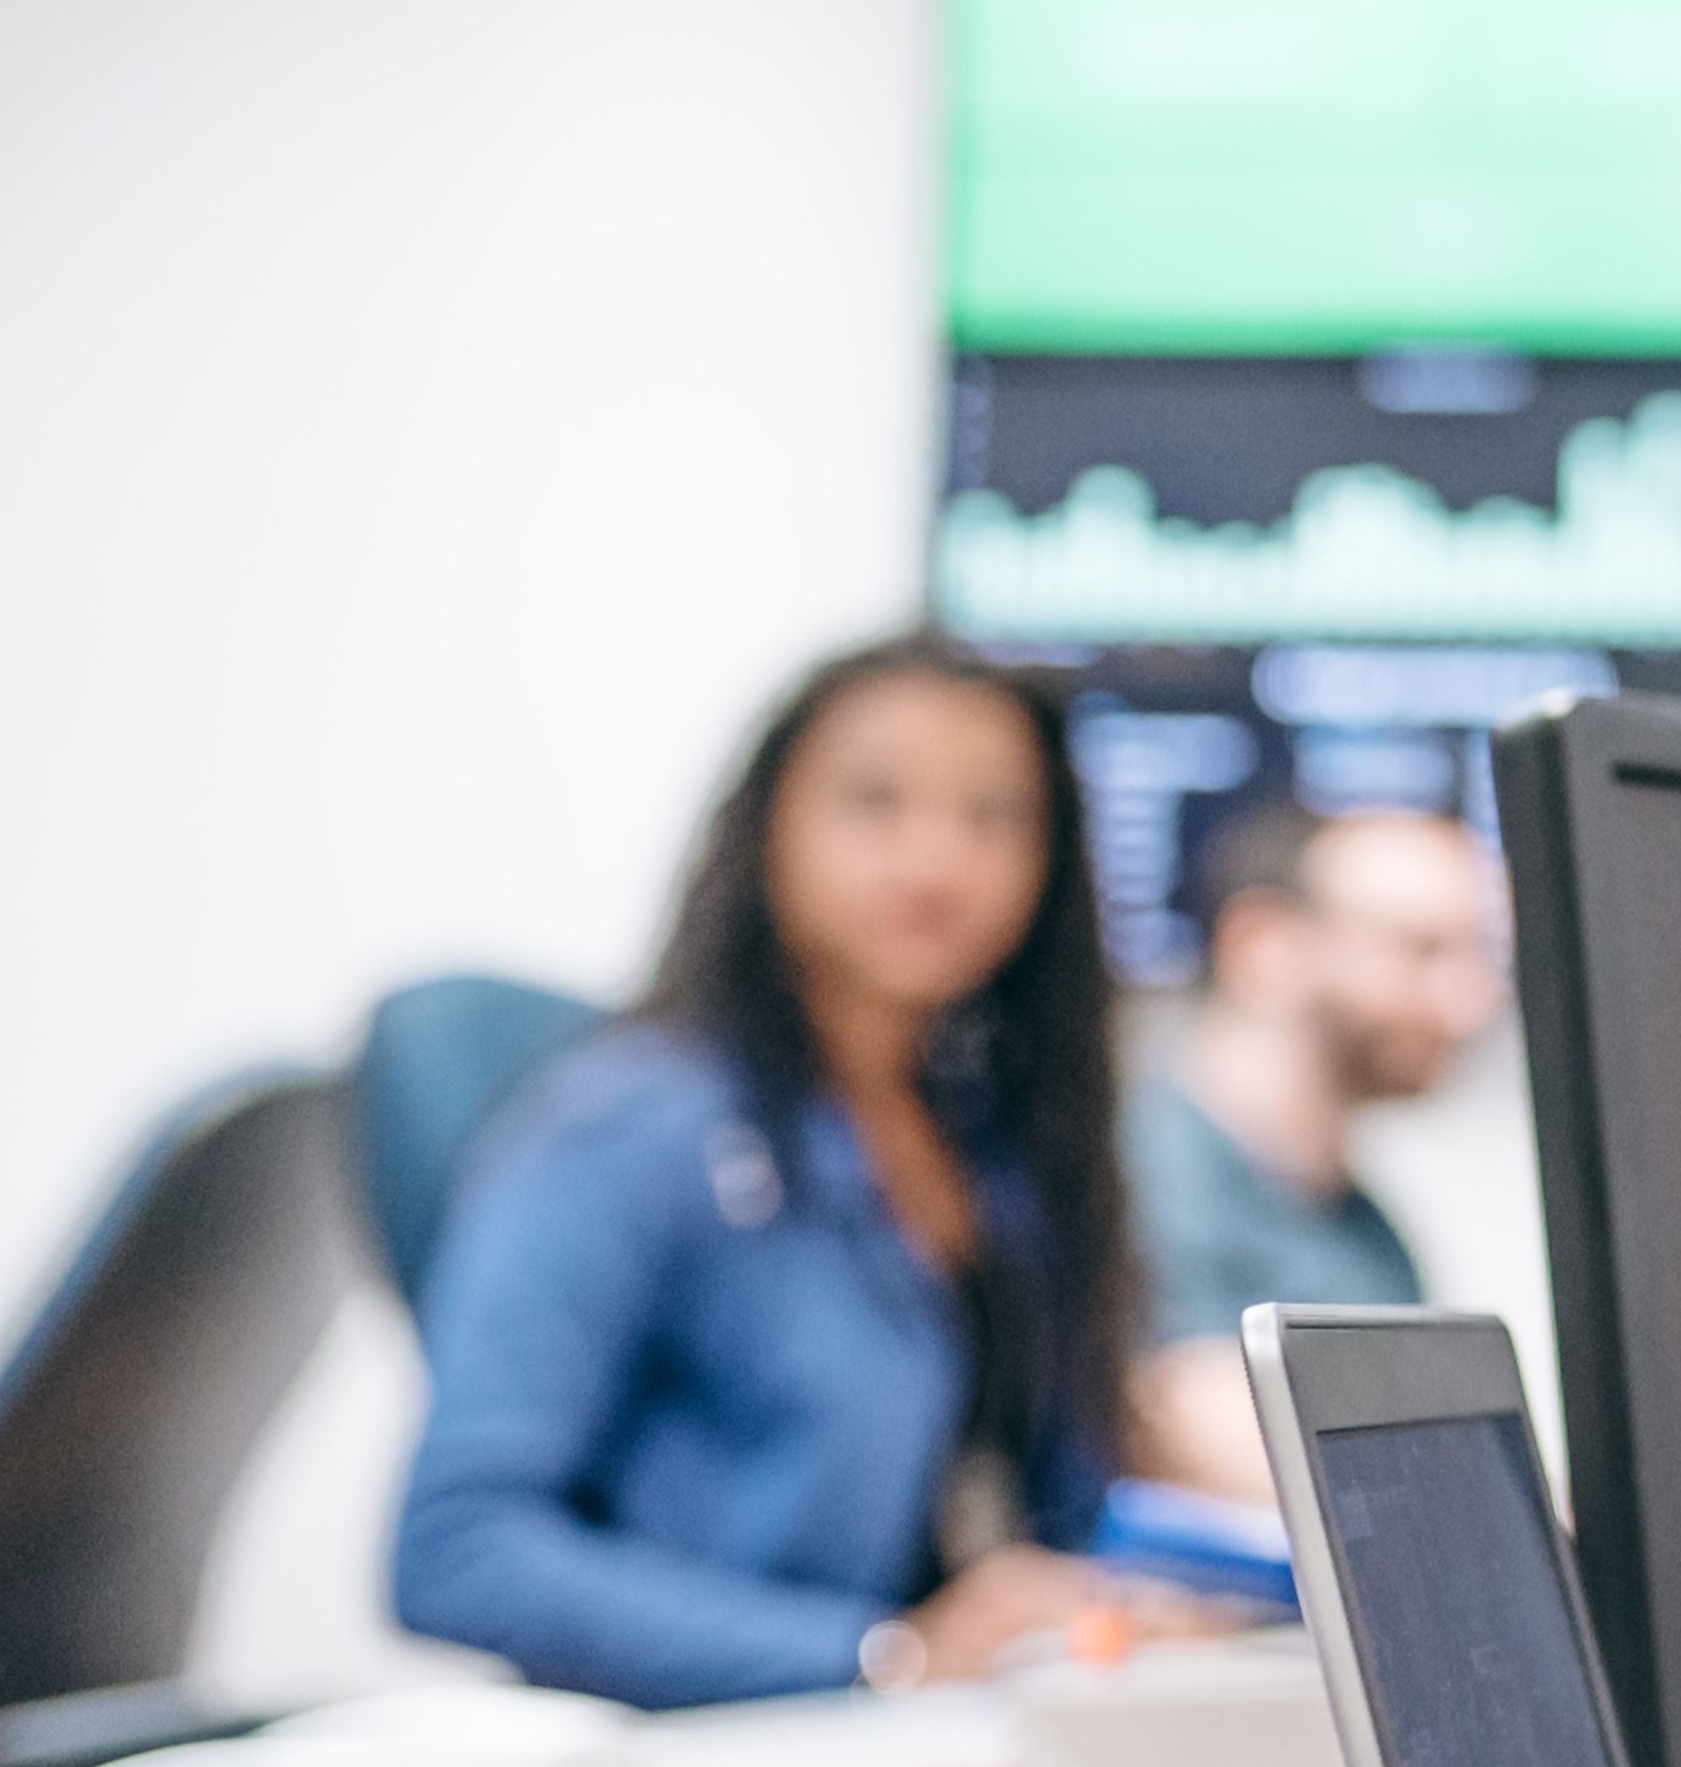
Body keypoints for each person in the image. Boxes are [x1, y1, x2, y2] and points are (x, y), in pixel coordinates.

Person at [397, 638, 1215, 1709]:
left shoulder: (1000, 1149)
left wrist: (1145, 1603)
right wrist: (882, 1655)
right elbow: (457, 1550)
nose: (936, 858)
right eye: (875, 802)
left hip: (935, 1745)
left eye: (992, 815)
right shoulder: (628, 1131)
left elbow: (1055, 1504)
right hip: (724, 1759)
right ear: (768, 826)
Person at [1115, 802, 1505, 1498]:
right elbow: (1200, 1437)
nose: (1470, 1001)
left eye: (1477, 954)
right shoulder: (1137, 1172)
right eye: (1420, 950)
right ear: (1263, 947)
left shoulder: (1366, 1228)